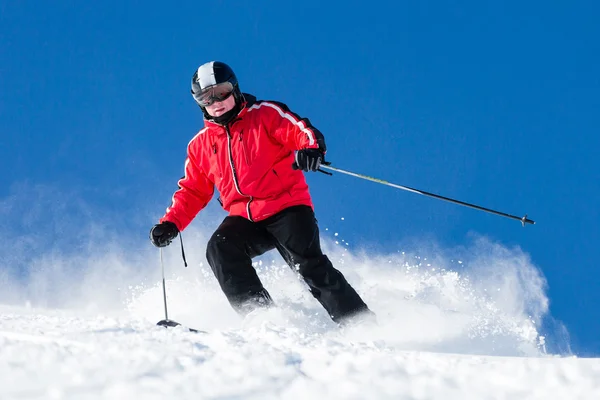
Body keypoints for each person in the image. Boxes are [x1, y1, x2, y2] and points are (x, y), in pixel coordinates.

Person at [150, 61, 372, 325]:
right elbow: (193, 191)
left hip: (287, 207)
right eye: (206, 97)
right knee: (220, 248)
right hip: (246, 218)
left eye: (221, 92)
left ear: (234, 88)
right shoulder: (200, 145)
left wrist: (312, 149)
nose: (216, 101)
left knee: (308, 266)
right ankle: (262, 317)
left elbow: (299, 131)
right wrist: (171, 223)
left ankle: (360, 324)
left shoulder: (264, 115)